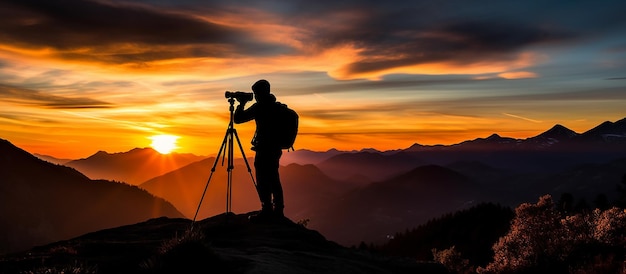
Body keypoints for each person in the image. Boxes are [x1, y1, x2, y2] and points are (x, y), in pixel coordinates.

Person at [234, 79, 285, 222]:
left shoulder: (260, 107)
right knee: (274, 178)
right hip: (275, 148)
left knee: (263, 178)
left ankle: (267, 210)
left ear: (261, 93)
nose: (255, 96)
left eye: (256, 93)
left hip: (264, 149)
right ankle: (278, 210)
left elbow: (238, 119)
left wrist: (242, 103)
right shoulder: (275, 106)